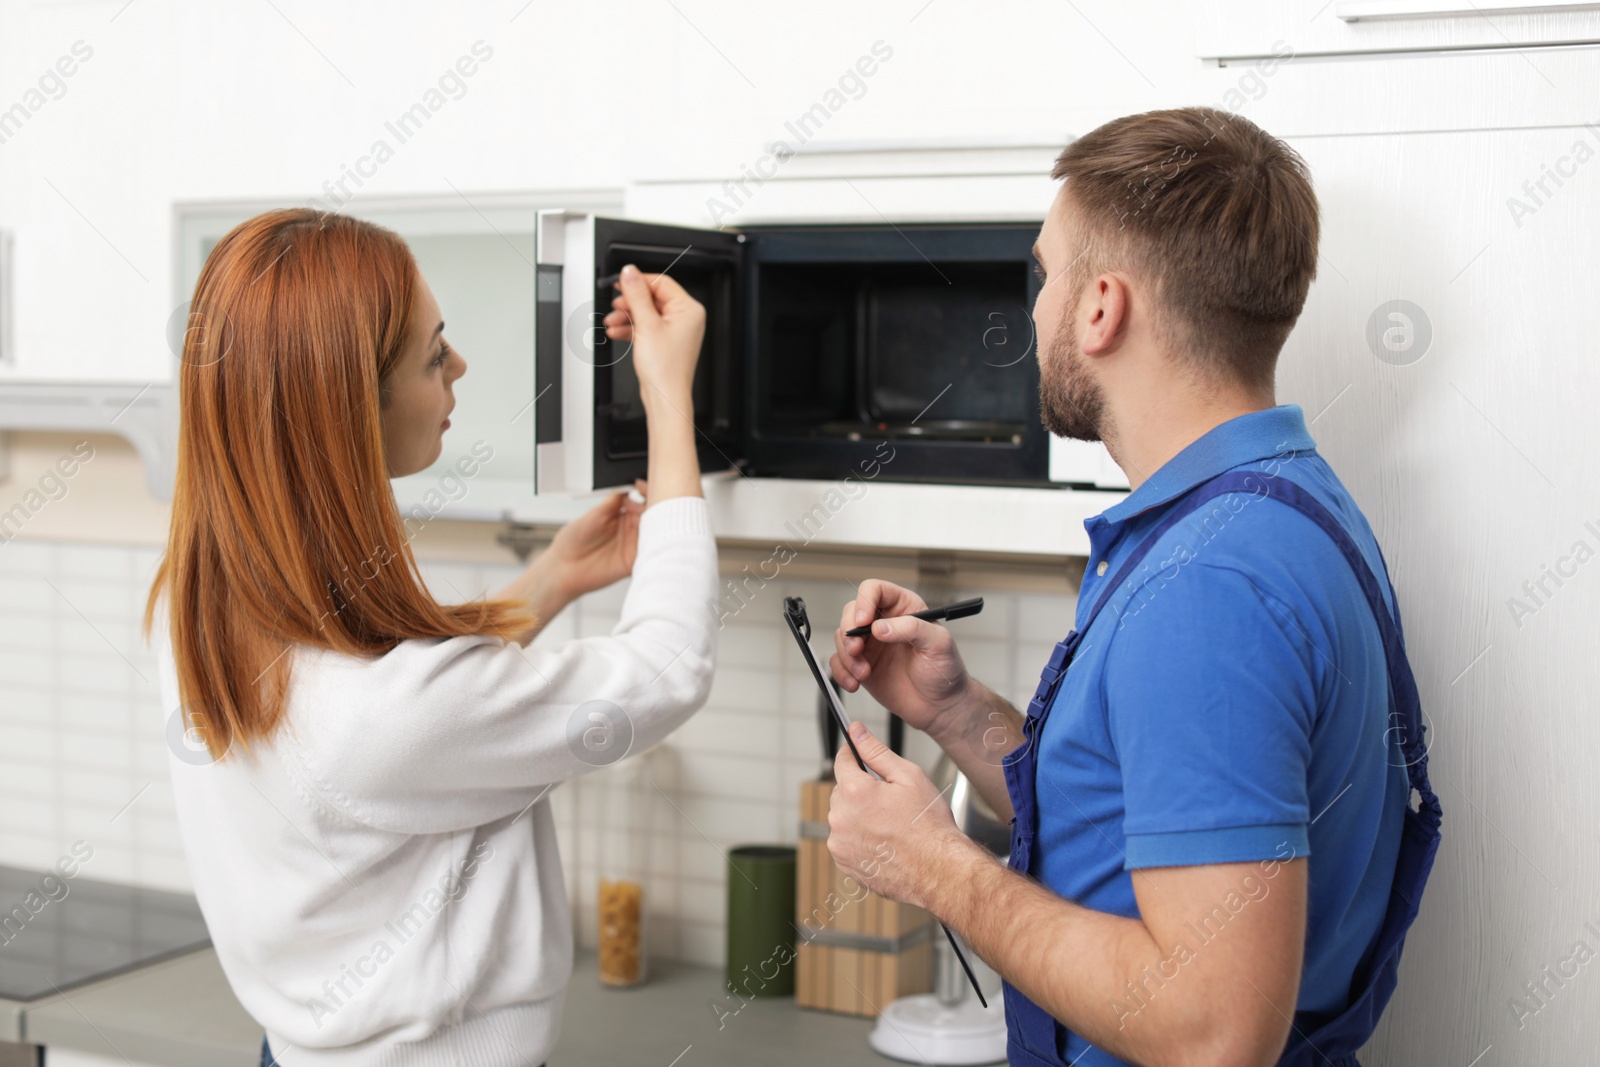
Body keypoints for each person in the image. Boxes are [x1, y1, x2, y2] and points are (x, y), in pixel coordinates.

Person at [823, 107, 1441, 1067]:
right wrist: (959, 713)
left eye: (1044, 275)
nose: (1033, 312)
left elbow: (1210, 1028)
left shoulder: (1208, 587)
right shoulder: (1276, 510)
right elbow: (1131, 826)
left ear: (1102, 307)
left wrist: (937, 866)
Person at [143, 208, 717, 1066]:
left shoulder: (198, 610)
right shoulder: (379, 714)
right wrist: (670, 404)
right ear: (346, 411)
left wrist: (553, 576)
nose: (459, 365)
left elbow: (429, 706)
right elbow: (665, 670)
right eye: (431, 351)